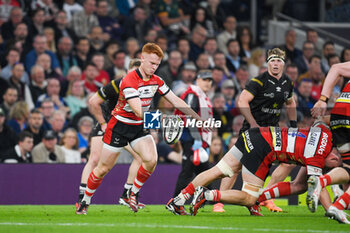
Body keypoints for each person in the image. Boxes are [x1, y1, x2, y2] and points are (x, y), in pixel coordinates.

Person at [76, 43, 206, 215]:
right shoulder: (128, 80)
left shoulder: (157, 80)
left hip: (138, 127)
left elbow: (175, 100)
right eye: (152, 63)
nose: (154, 67)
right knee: (102, 169)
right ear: (142, 59)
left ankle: (132, 193)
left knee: (151, 160)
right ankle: (85, 200)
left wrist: (197, 117)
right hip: (119, 126)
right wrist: (162, 120)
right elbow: (138, 110)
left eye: (157, 64)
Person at [166, 121, 338, 216]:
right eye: (332, 167)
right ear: (334, 157)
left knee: (218, 170)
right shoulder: (318, 157)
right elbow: (317, 185)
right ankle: (207, 194)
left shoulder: (326, 133)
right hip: (263, 147)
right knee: (249, 197)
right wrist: (332, 210)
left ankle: (178, 200)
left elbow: (321, 121)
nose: (327, 170)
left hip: (255, 133)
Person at [214, 48, 297, 213]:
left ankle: (266, 197)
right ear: (267, 63)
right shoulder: (258, 81)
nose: (275, 63)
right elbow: (242, 100)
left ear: (283, 64)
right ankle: (219, 201)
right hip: (252, 132)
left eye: (279, 61)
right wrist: (252, 122)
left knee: (287, 162)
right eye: (272, 60)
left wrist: (293, 125)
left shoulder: (288, 82)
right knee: (236, 166)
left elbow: (290, 102)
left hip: (272, 132)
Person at [75, 59, 145, 209]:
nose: (137, 75)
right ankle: (82, 197)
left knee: (141, 157)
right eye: (134, 72)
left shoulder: (144, 88)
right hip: (107, 122)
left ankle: (126, 195)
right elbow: (93, 102)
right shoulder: (117, 84)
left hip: (124, 127)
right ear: (127, 71)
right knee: (94, 159)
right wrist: (103, 123)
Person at [309, 61, 350, 224]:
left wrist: (323, 100)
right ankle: (339, 206)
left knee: (348, 166)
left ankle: (321, 181)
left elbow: (335, 68)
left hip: (338, 114)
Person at [172, 70, 214, 198]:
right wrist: (197, 139)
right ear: (197, 80)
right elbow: (188, 115)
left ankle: (208, 201)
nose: (207, 83)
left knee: (204, 173)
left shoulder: (203, 96)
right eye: (204, 79)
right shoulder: (193, 94)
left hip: (199, 140)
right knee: (188, 172)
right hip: (191, 139)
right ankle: (175, 201)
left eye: (209, 80)